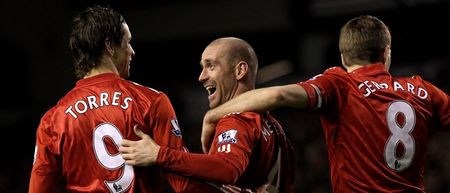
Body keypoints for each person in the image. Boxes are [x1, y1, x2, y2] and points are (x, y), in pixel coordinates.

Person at [201, 15, 450, 192]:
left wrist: (212, 116)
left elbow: (277, 96)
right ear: (385, 53)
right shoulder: (421, 90)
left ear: (343, 57)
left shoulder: (340, 83)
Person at [28, 5, 208, 193]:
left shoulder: (53, 120)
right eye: (127, 42)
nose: (132, 51)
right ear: (109, 46)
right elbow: (184, 184)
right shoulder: (151, 101)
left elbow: (38, 189)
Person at [119, 37, 296, 193]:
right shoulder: (274, 127)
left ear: (240, 71)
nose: (201, 77)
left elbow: (227, 168)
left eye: (211, 66)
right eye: (202, 67)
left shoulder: (236, 120)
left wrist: (159, 154)